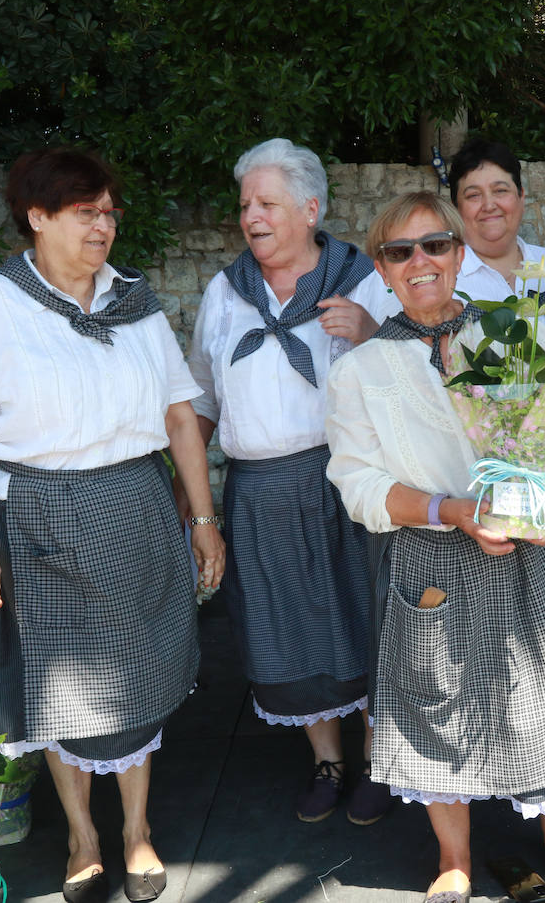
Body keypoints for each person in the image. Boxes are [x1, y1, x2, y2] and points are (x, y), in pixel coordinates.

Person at [0, 148, 217, 903]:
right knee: (60, 690)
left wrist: (206, 517)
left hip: (138, 507)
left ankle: (136, 830)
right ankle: (84, 837)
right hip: (39, 518)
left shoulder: (134, 302)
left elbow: (180, 417)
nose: (104, 226)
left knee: (144, 672)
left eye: (110, 211)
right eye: (86, 211)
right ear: (38, 217)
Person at [326, 191, 545, 903]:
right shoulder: (361, 371)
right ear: (383, 269)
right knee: (437, 710)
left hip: (527, 551)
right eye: (401, 252)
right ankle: (453, 859)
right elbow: (358, 484)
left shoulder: (513, 336)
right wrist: (454, 511)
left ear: (460, 254)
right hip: (431, 556)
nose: (421, 262)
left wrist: (544, 507)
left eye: (435, 245)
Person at [185, 138, 397, 826]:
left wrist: (370, 333)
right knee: (286, 628)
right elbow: (199, 405)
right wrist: (198, 511)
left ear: (310, 208)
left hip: (345, 481)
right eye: (246, 204)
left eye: (267, 202)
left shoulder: (362, 279)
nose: (252, 215)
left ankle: (377, 760)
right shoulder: (225, 292)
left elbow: (414, 382)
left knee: (362, 619)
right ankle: (326, 762)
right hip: (259, 492)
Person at [450, 138, 545, 297]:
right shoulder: (444, 282)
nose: (489, 206)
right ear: (455, 207)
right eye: (474, 195)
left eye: (500, 190)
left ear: (521, 196)